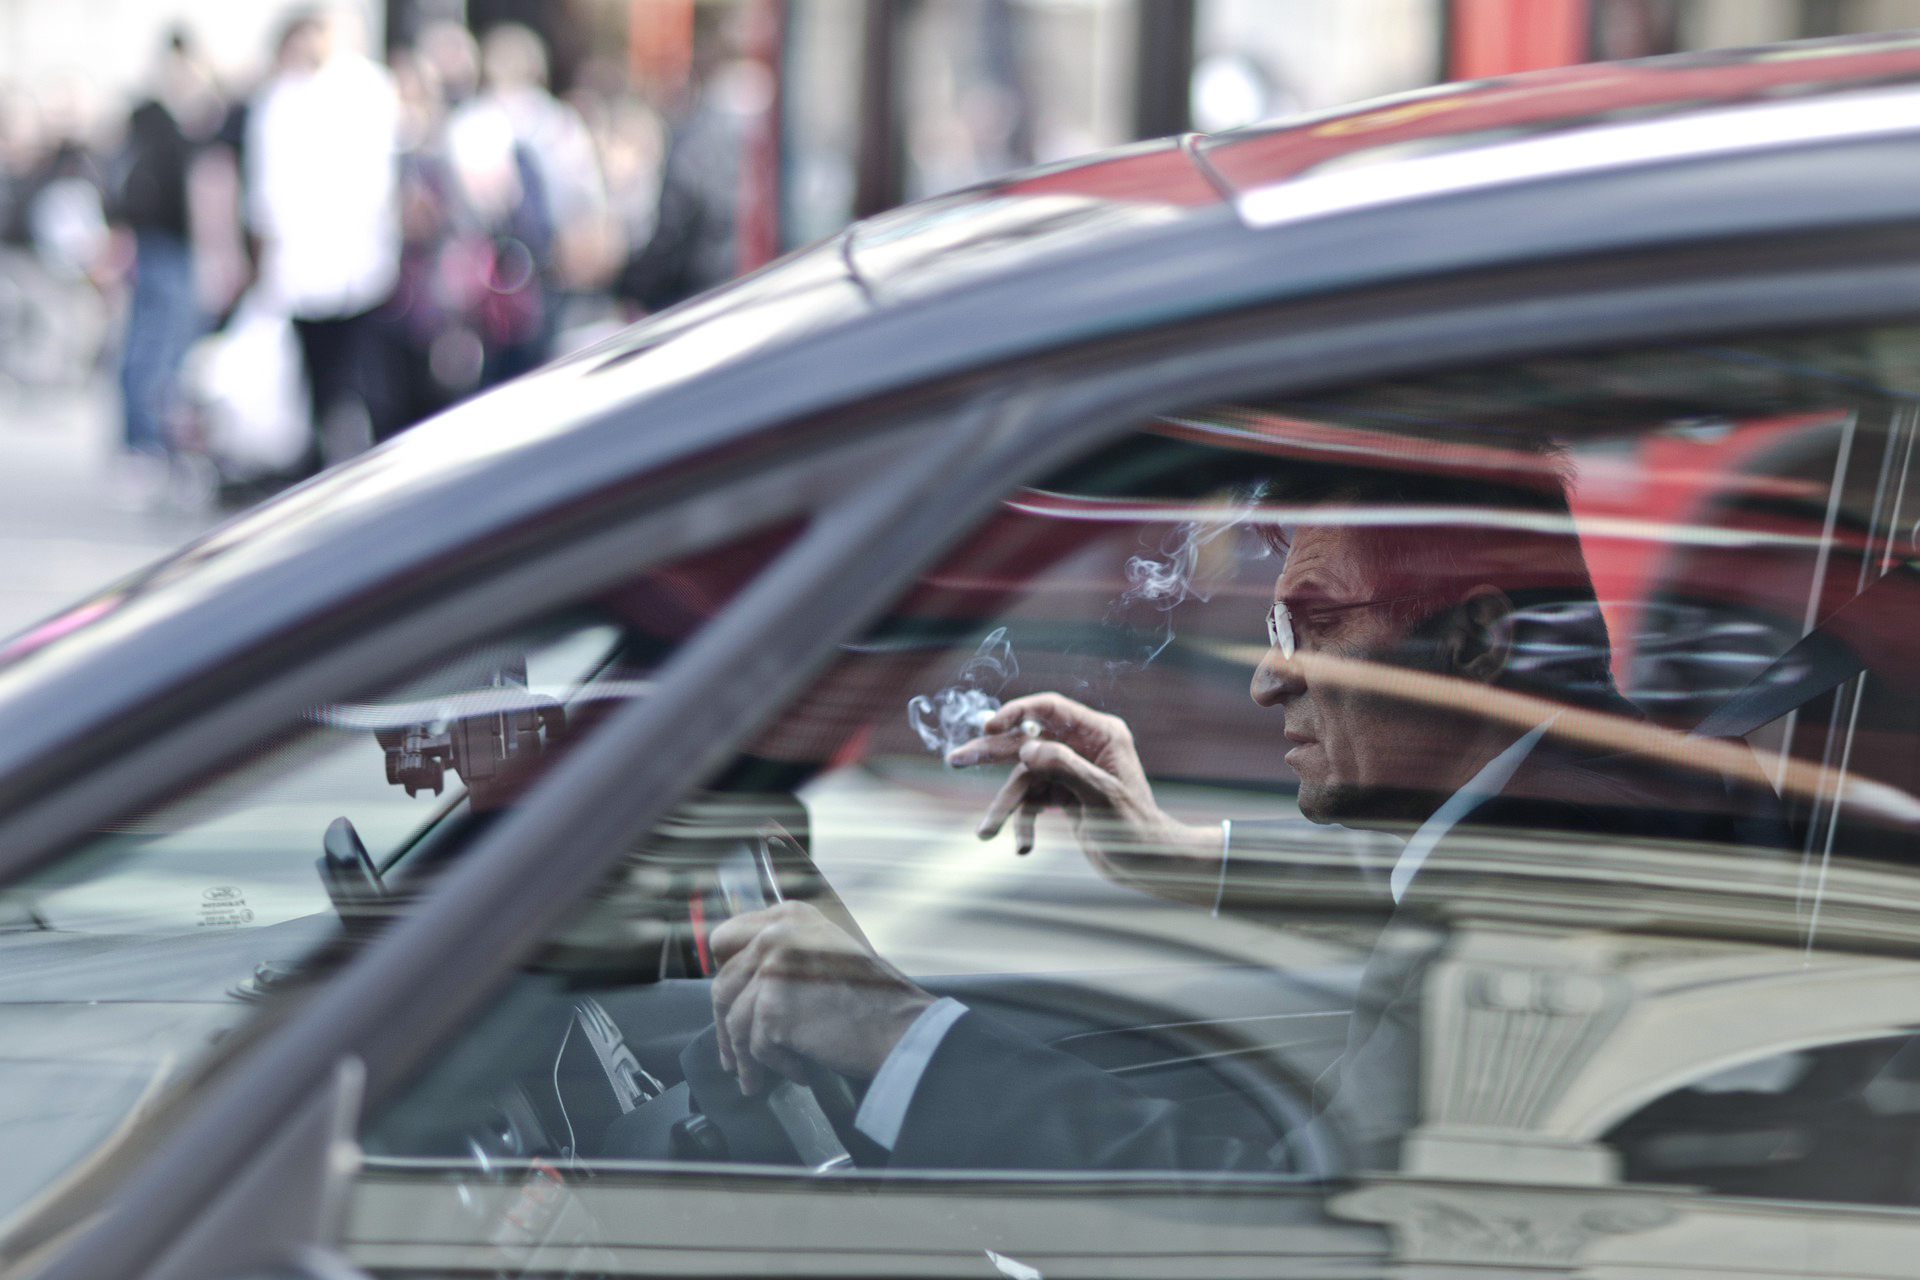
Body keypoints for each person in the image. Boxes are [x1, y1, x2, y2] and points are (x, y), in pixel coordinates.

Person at [704, 451, 1785, 1173]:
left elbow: (1268, 1227)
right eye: (1276, 630)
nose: (1270, 682)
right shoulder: (1594, 794)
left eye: (1316, 625)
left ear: (1476, 642)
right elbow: (1434, 873)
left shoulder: (1542, 921)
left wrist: (903, 1037)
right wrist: (1179, 853)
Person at [246, 8, 402, 461]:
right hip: (305, 265)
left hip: (359, 261)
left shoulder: (365, 88)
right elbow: (267, 192)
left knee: (362, 366)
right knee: (317, 370)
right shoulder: (280, 100)